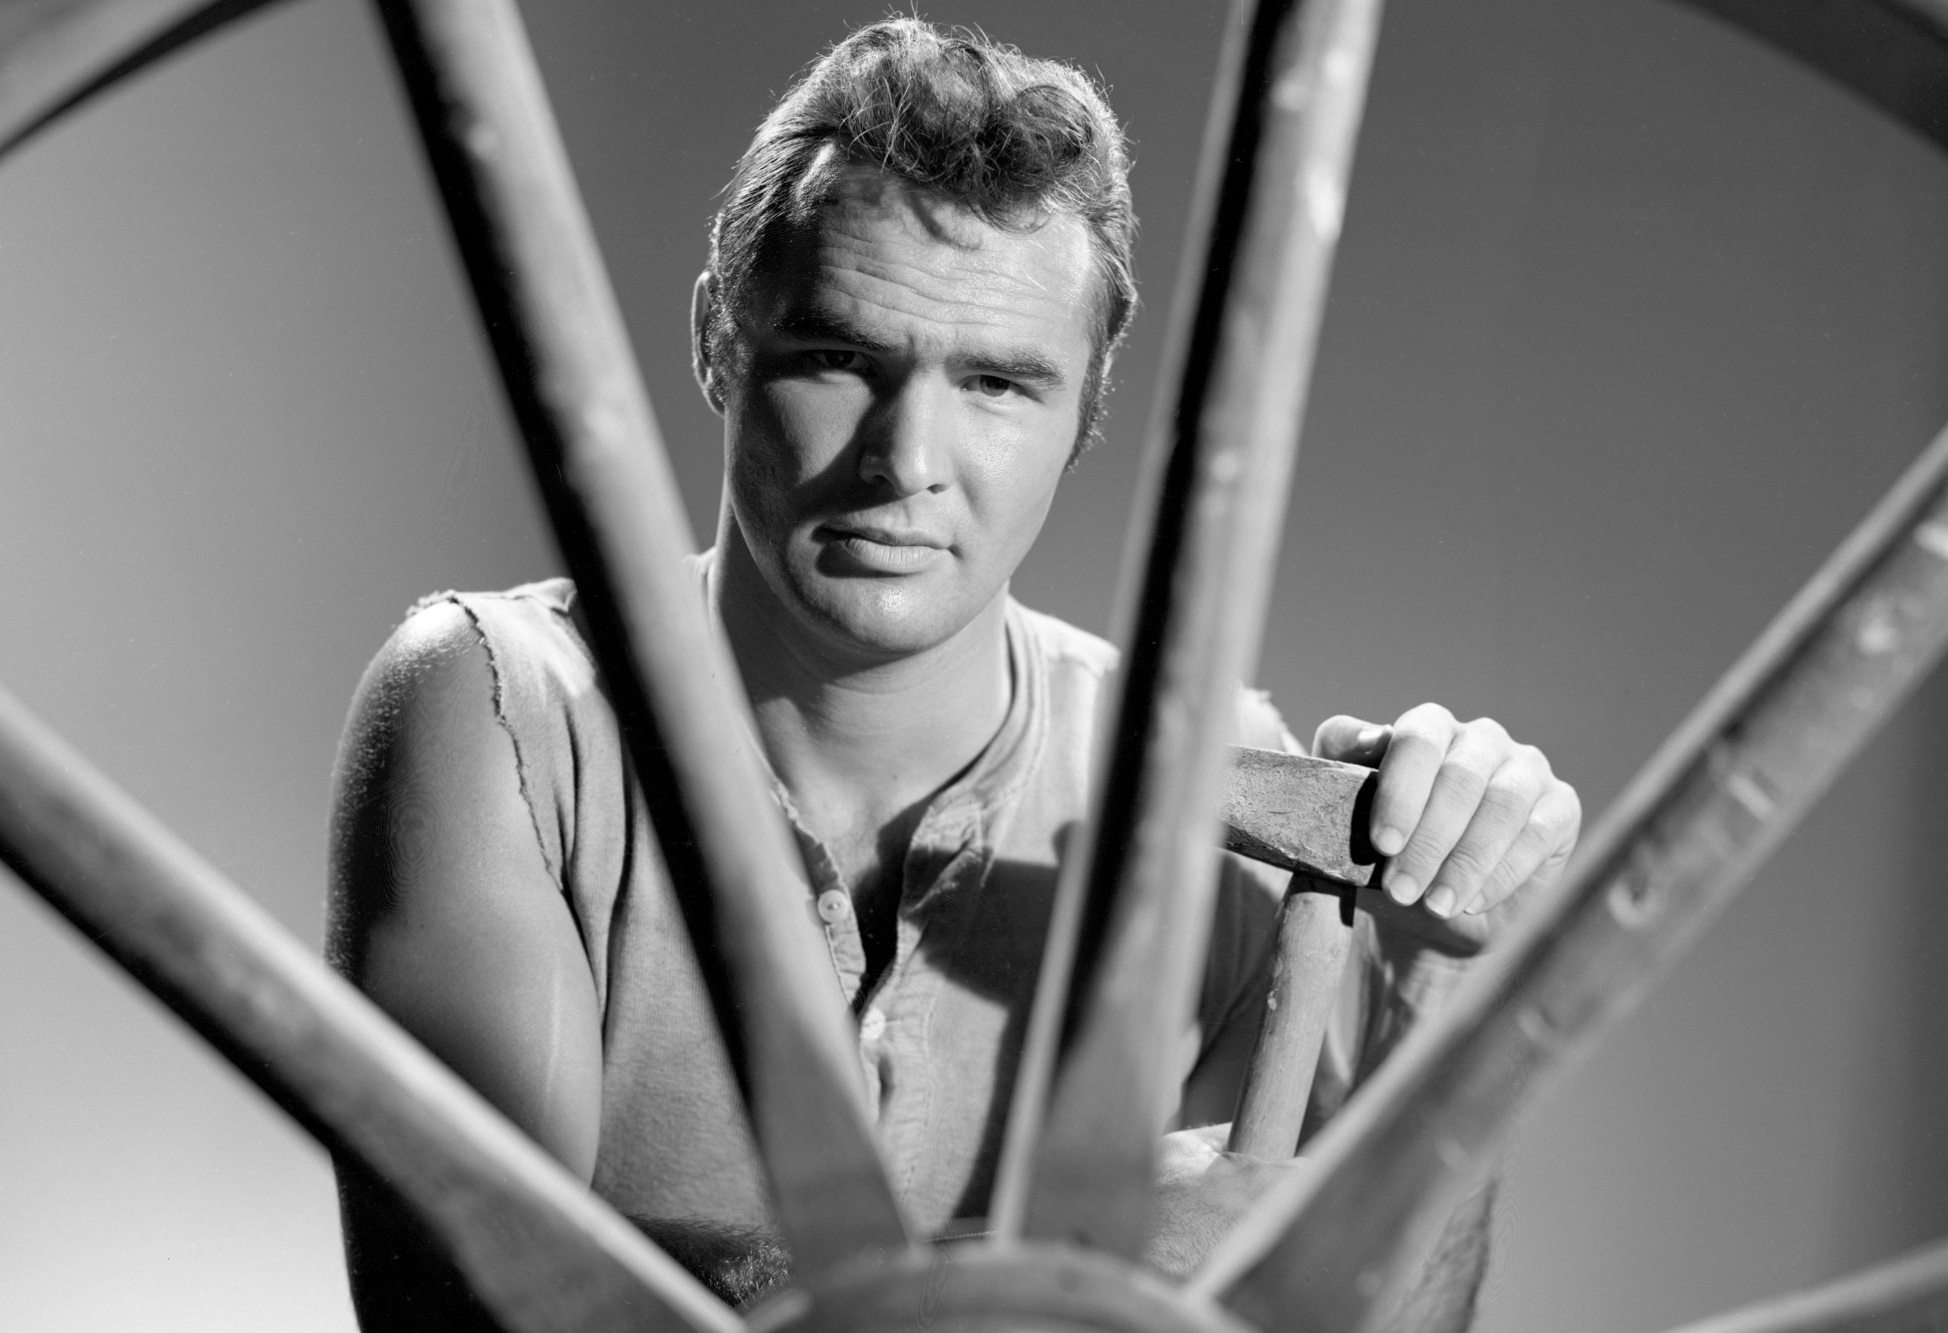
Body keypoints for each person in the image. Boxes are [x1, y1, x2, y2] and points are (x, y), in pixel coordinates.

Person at [325, 17, 1580, 1331]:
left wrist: (1445, 990)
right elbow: (472, 1319)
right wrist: (1100, 1276)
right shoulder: (502, 709)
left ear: (1090, 403)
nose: (905, 458)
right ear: (716, 340)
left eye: (995, 382)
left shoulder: (1213, 771)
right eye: (839, 359)